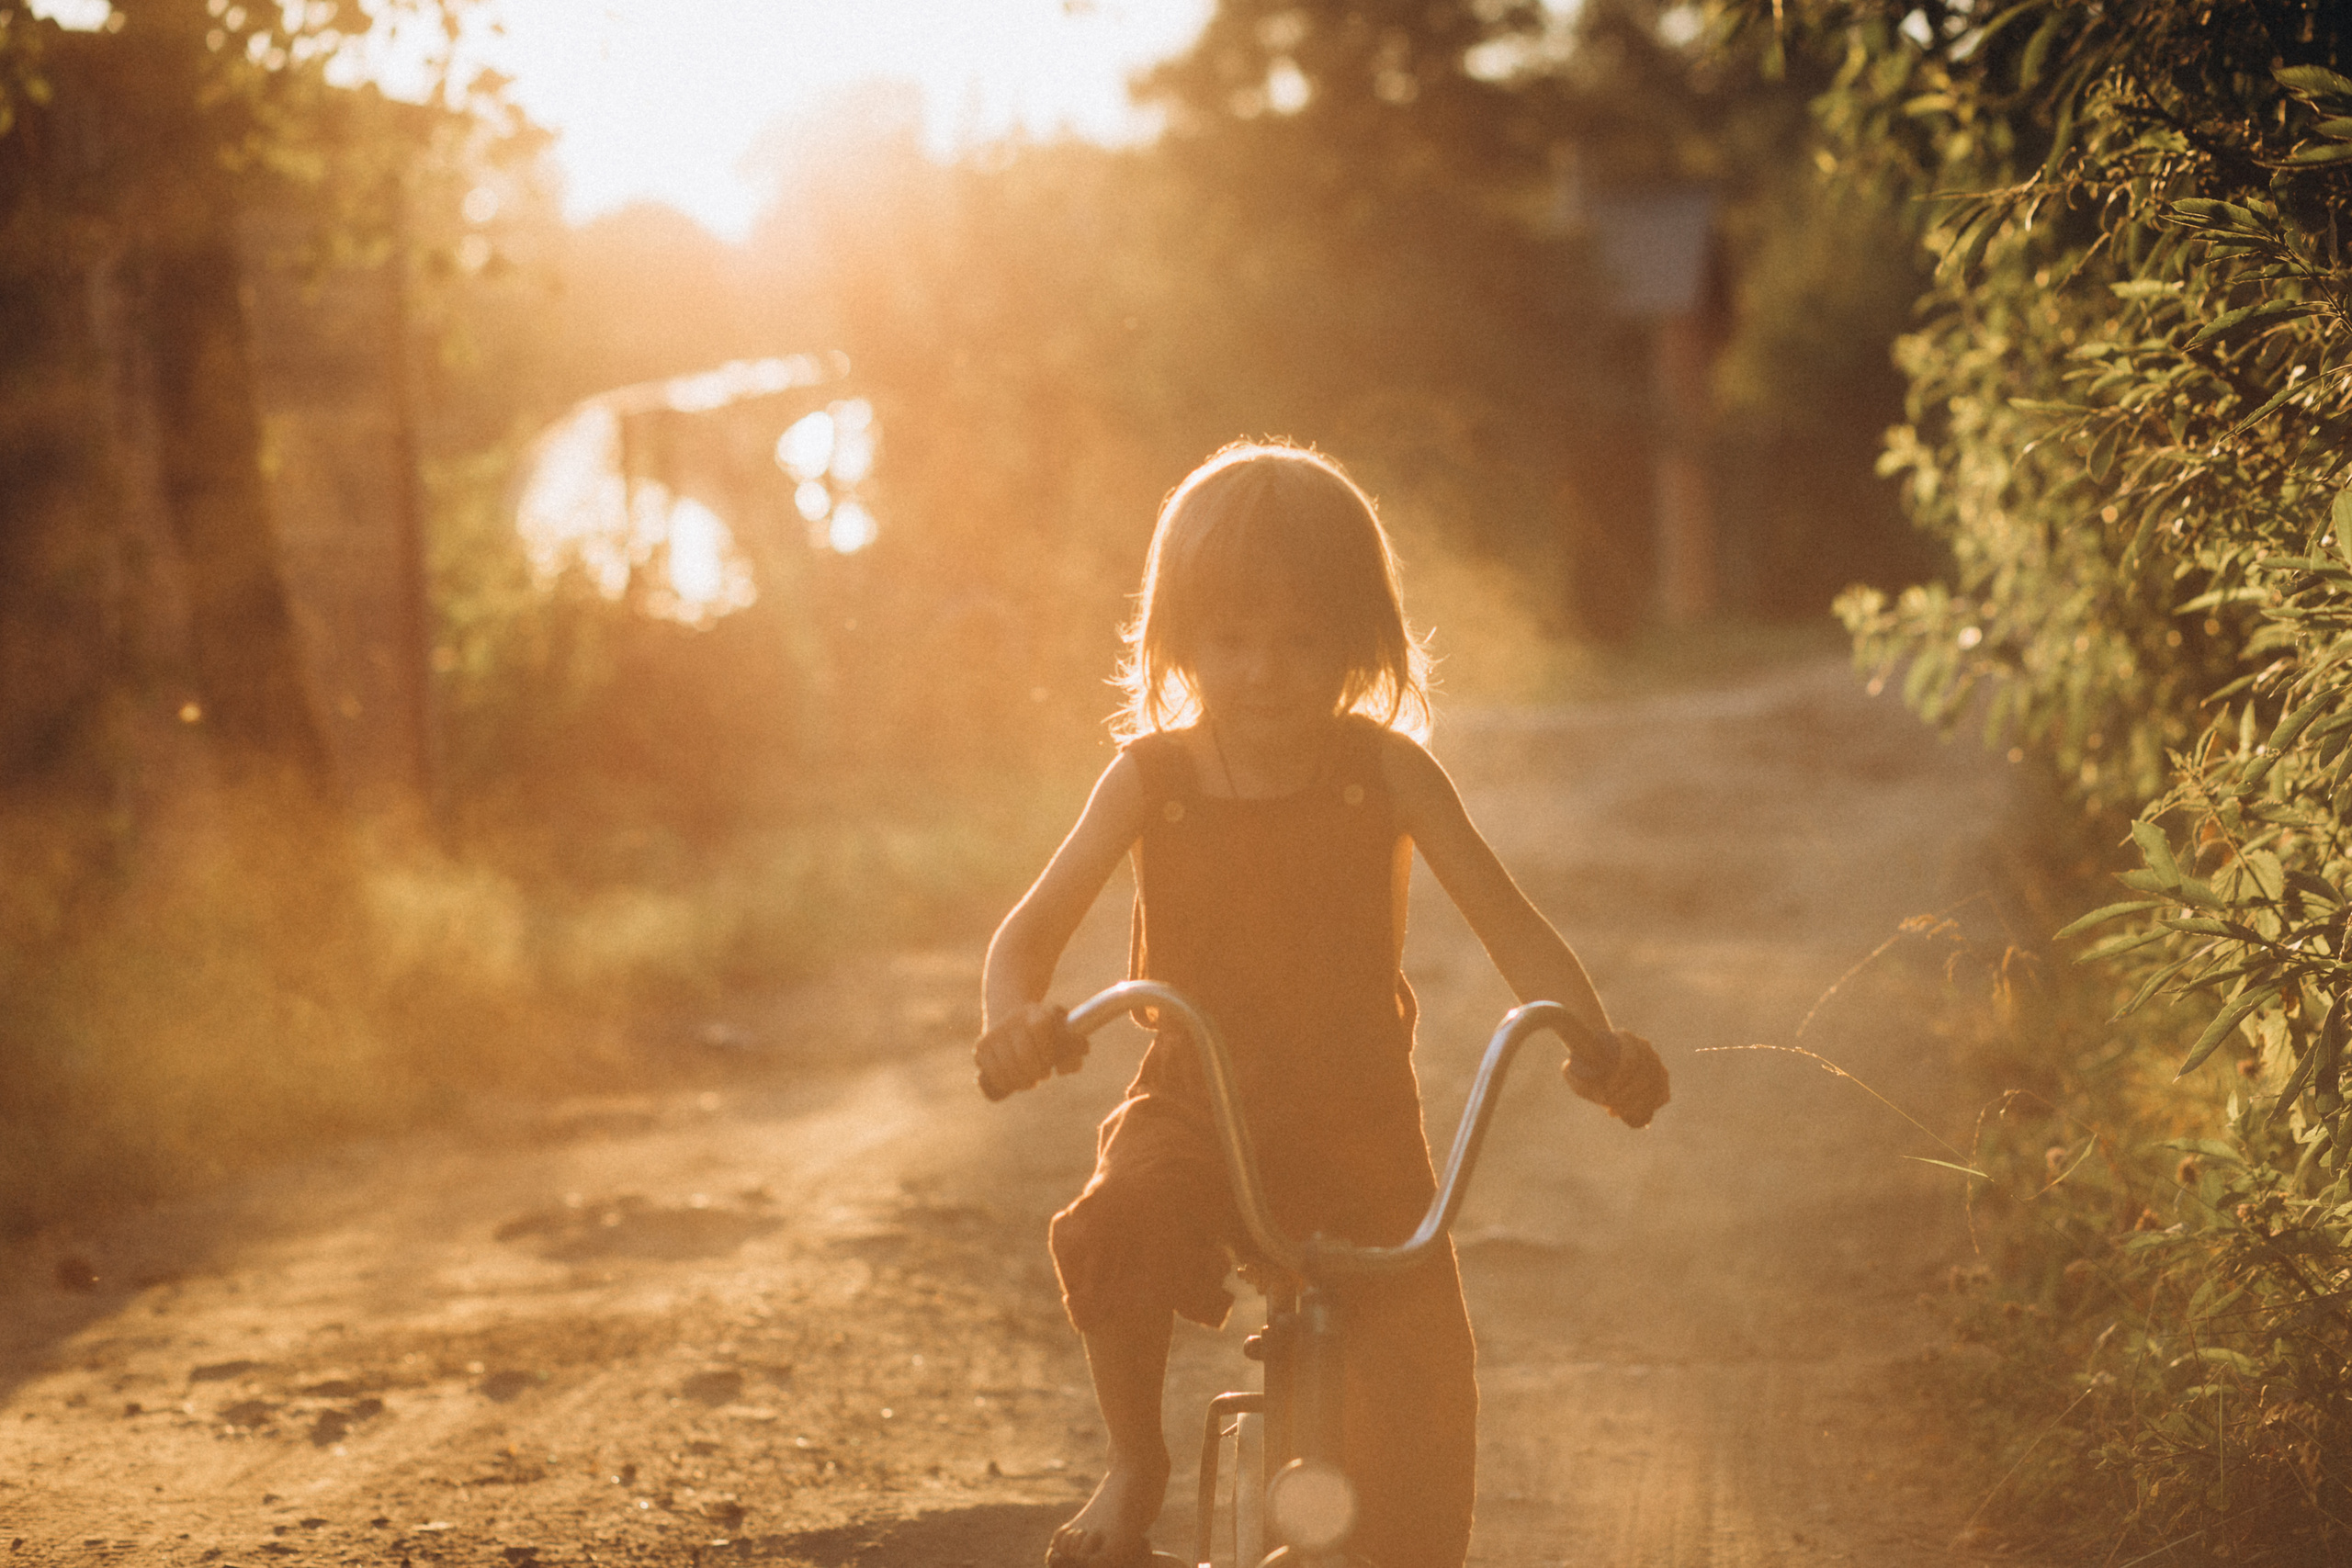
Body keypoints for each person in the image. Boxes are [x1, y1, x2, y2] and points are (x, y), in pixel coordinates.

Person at [975, 441, 1669, 1568]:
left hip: (1360, 1130)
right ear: (1182, 641)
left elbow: (1514, 929)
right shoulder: (1152, 778)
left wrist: (1594, 1044)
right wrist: (1013, 1019)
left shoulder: (1386, 772)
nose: (1264, 671)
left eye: (1302, 641)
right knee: (1118, 1224)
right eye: (1232, 640)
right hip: (1197, 1108)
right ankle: (1135, 1460)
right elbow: (1028, 935)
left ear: (1357, 645)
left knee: (1425, 1388)